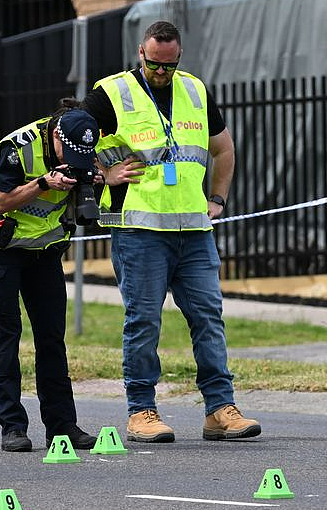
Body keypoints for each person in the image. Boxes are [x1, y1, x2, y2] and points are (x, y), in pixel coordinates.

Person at [83, 20, 261, 444]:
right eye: (153, 65)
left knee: (208, 318)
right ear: (140, 54)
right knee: (143, 321)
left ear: (178, 57)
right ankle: (141, 410)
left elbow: (223, 148)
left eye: (169, 66)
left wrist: (217, 200)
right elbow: (67, 137)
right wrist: (103, 174)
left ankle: (220, 409)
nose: (161, 73)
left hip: (194, 230)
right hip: (140, 230)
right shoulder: (112, 92)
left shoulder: (195, 91)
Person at [0, 99, 100, 452]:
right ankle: (12, 427)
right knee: (5, 340)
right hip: (2, 253)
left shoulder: (86, 144)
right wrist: (44, 183)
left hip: (45, 255)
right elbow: (0, 201)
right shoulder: (20, 147)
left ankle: (63, 427)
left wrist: (100, 178)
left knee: (51, 341)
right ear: (56, 135)